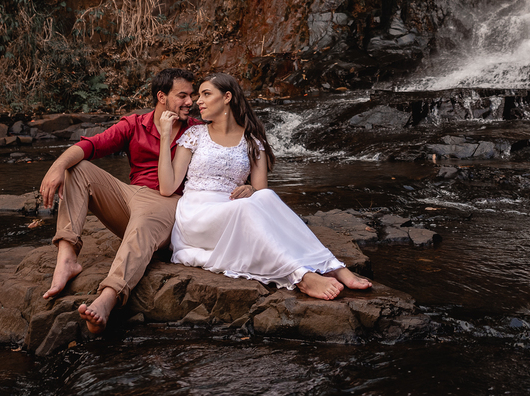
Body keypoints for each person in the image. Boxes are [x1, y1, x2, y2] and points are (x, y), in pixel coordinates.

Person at [155, 72, 372, 300]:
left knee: (266, 196)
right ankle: (301, 277)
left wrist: (252, 189)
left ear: (227, 97)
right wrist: (165, 135)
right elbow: (167, 188)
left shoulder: (252, 141)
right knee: (247, 208)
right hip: (197, 215)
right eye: (198, 95)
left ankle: (333, 266)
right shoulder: (194, 135)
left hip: (232, 210)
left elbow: (261, 194)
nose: (197, 101)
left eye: (206, 94)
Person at [38, 67, 199, 332]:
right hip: (129, 197)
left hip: (168, 202)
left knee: (145, 219)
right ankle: (67, 257)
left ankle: (108, 297)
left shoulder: (195, 130)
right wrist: (56, 167)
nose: (190, 102)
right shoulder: (134, 125)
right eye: (182, 96)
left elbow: (225, 159)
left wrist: (249, 187)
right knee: (77, 168)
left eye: (191, 95)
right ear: (162, 97)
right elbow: (91, 145)